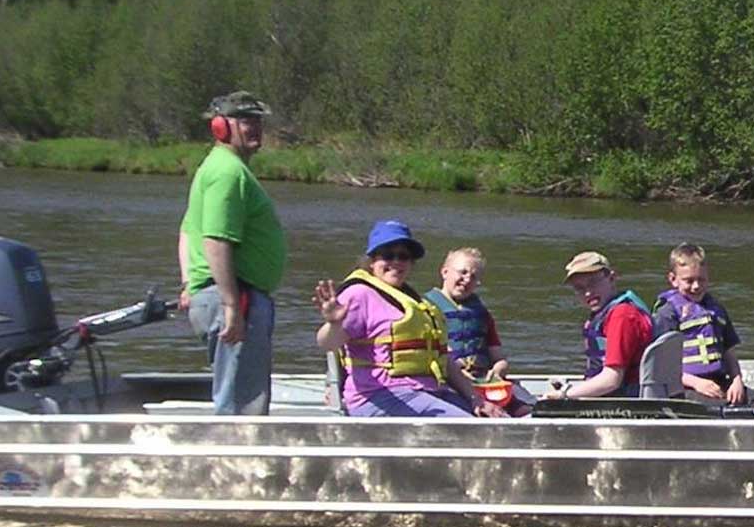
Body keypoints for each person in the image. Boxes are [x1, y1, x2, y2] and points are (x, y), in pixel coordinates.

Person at [311, 221, 505, 418]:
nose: (396, 262)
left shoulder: (414, 302)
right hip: (379, 396)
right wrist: (333, 323)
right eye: (388, 255)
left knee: (496, 419)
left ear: (411, 263)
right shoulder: (359, 294)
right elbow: (327, 343)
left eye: (403, 256)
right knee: (470, 427)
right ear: (372, 261)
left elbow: (444, 360)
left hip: (426, 392)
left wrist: (475, 399)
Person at [178, 91, 287, 415]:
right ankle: (236, 462)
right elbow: (215, 241)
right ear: (220, 126)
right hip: (237, 299)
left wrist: (189, 284)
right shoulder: (228, 173)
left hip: (226, 296)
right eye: (243, 120)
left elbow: (186, 232)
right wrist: (230, 305)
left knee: (238, 398)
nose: (253, 127)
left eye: (257, 121)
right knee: (242, 407)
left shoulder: (217, 168)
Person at [424, 247, 533, 415]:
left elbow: (499, 358)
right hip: (450, 383)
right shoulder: (426, 309)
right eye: (462, 272)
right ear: (445, 272)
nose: (466, 279)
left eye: (473, 276)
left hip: (486, 381)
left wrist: (497, 370)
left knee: (527, 409)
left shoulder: (481, 314)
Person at [542, 251, 652, 400]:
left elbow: (611, 380)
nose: (587, 293)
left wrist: (564, 394)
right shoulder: (607, 313)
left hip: (622, 401)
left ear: (612, 278)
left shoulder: (622, 316)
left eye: (593, 283)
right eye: (579, 288)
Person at [651, 244, 748, 405]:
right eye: (689, 281)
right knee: (722, 407)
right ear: (673, 280)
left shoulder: (716, 309)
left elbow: (729, 352)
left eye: (701, 280)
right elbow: (660, 365)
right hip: (684, 387)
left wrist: (737, 380)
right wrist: (697, 383)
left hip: (720, 380)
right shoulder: (667, 313)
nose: (696, 286)